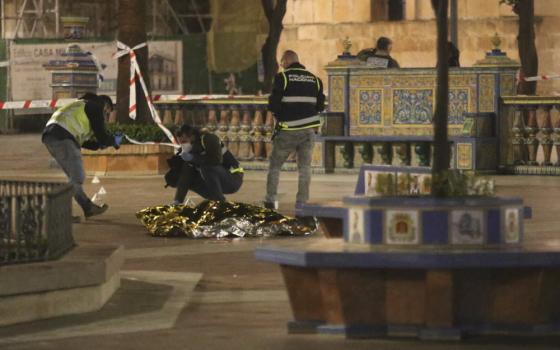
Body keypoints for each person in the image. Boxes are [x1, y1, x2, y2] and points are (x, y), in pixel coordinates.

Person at [264, 50, 325, 212]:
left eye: (282, 63)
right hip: (309, 131)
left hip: (288, 130)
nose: (281, 66)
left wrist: (279, 115)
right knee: (305, 168)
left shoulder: (282, 78)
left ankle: (270, 201)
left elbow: (273, 104)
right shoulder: (315, 80)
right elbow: (320, 106)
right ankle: (302, 202)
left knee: (275, 166)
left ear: (286, 61)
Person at [42, 92, 120, 218]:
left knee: (74, 179)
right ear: (105, 105)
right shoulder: (95, 107)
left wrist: (100, 144)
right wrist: (113, 140)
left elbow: (86, 142)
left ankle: (86, 208)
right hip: (63, 137)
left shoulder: (79, 106)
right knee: (78, 177)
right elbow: (102, 136)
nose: (106, 117)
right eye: (107, 112)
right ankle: (49, 209)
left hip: (52, 137)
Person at [171, 125, 243, 204]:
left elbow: (215, 160)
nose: (183, 145)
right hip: (217, 180)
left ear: (192, 136)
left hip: (233, 178)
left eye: (184, 142)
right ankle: (213, 198)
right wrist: (177, 200)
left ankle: (220, 202)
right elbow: (185, 177)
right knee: (182, 173)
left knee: (206, 167)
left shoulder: (209, 139)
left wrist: (193, 158)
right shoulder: (191, 150)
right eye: (180, 143)